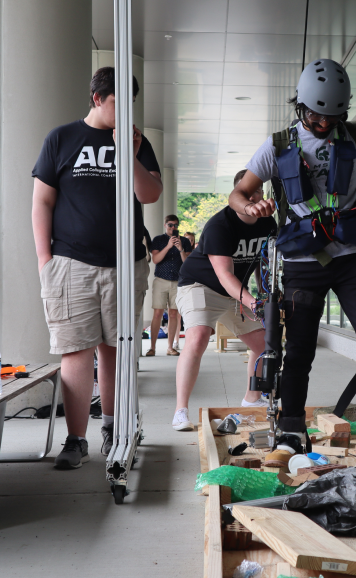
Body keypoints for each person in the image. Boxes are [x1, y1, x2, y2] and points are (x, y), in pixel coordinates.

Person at [228, 58, 356, 467]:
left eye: (332, 117)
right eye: (315, 115)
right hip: (301, 261)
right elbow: (238, 193)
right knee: (297, 352)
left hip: (352, 258)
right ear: (301, 107)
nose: (323, 124)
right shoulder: (277, 145)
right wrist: (251, 207)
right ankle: (292, 431)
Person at [32, 66, 162, 469]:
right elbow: (43, 202)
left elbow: (151, 193)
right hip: (71, 262)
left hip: (126, 263)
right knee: (75, 352)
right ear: (97, 99)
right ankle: (75, 439)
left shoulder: (136, 140)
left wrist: (129, 152)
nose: (126, 112)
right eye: (117, 103)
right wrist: (44, 261)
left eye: (131, 103)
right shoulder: (62, 138)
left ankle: (111, 427)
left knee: (116, 351)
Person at [171, 169, 276, 431]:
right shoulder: (220, 225)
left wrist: (266, 298)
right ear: (235, 195)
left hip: (235, 290)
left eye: (258, 191)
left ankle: (251, 400)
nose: (254, 197)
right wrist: (252, 302)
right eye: (247, 192)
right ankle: (180, 411)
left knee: (265, 344)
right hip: (201, 285)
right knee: (198, 336)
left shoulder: (268, 224)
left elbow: (266, 264)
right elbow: (224, 274)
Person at [145, 214, 192, 357]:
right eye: (170, 225)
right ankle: (152, 347)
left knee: (173, 314)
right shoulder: (158, 240)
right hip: (161, 280)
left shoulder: (184, 241)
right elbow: (156, 259)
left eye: (176, 225)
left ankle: (170, 347)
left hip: (178, 281)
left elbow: (187, 263)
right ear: (165, 225)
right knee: (157, 313)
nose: (173, 228)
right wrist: (168, 246)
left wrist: (180, 249)